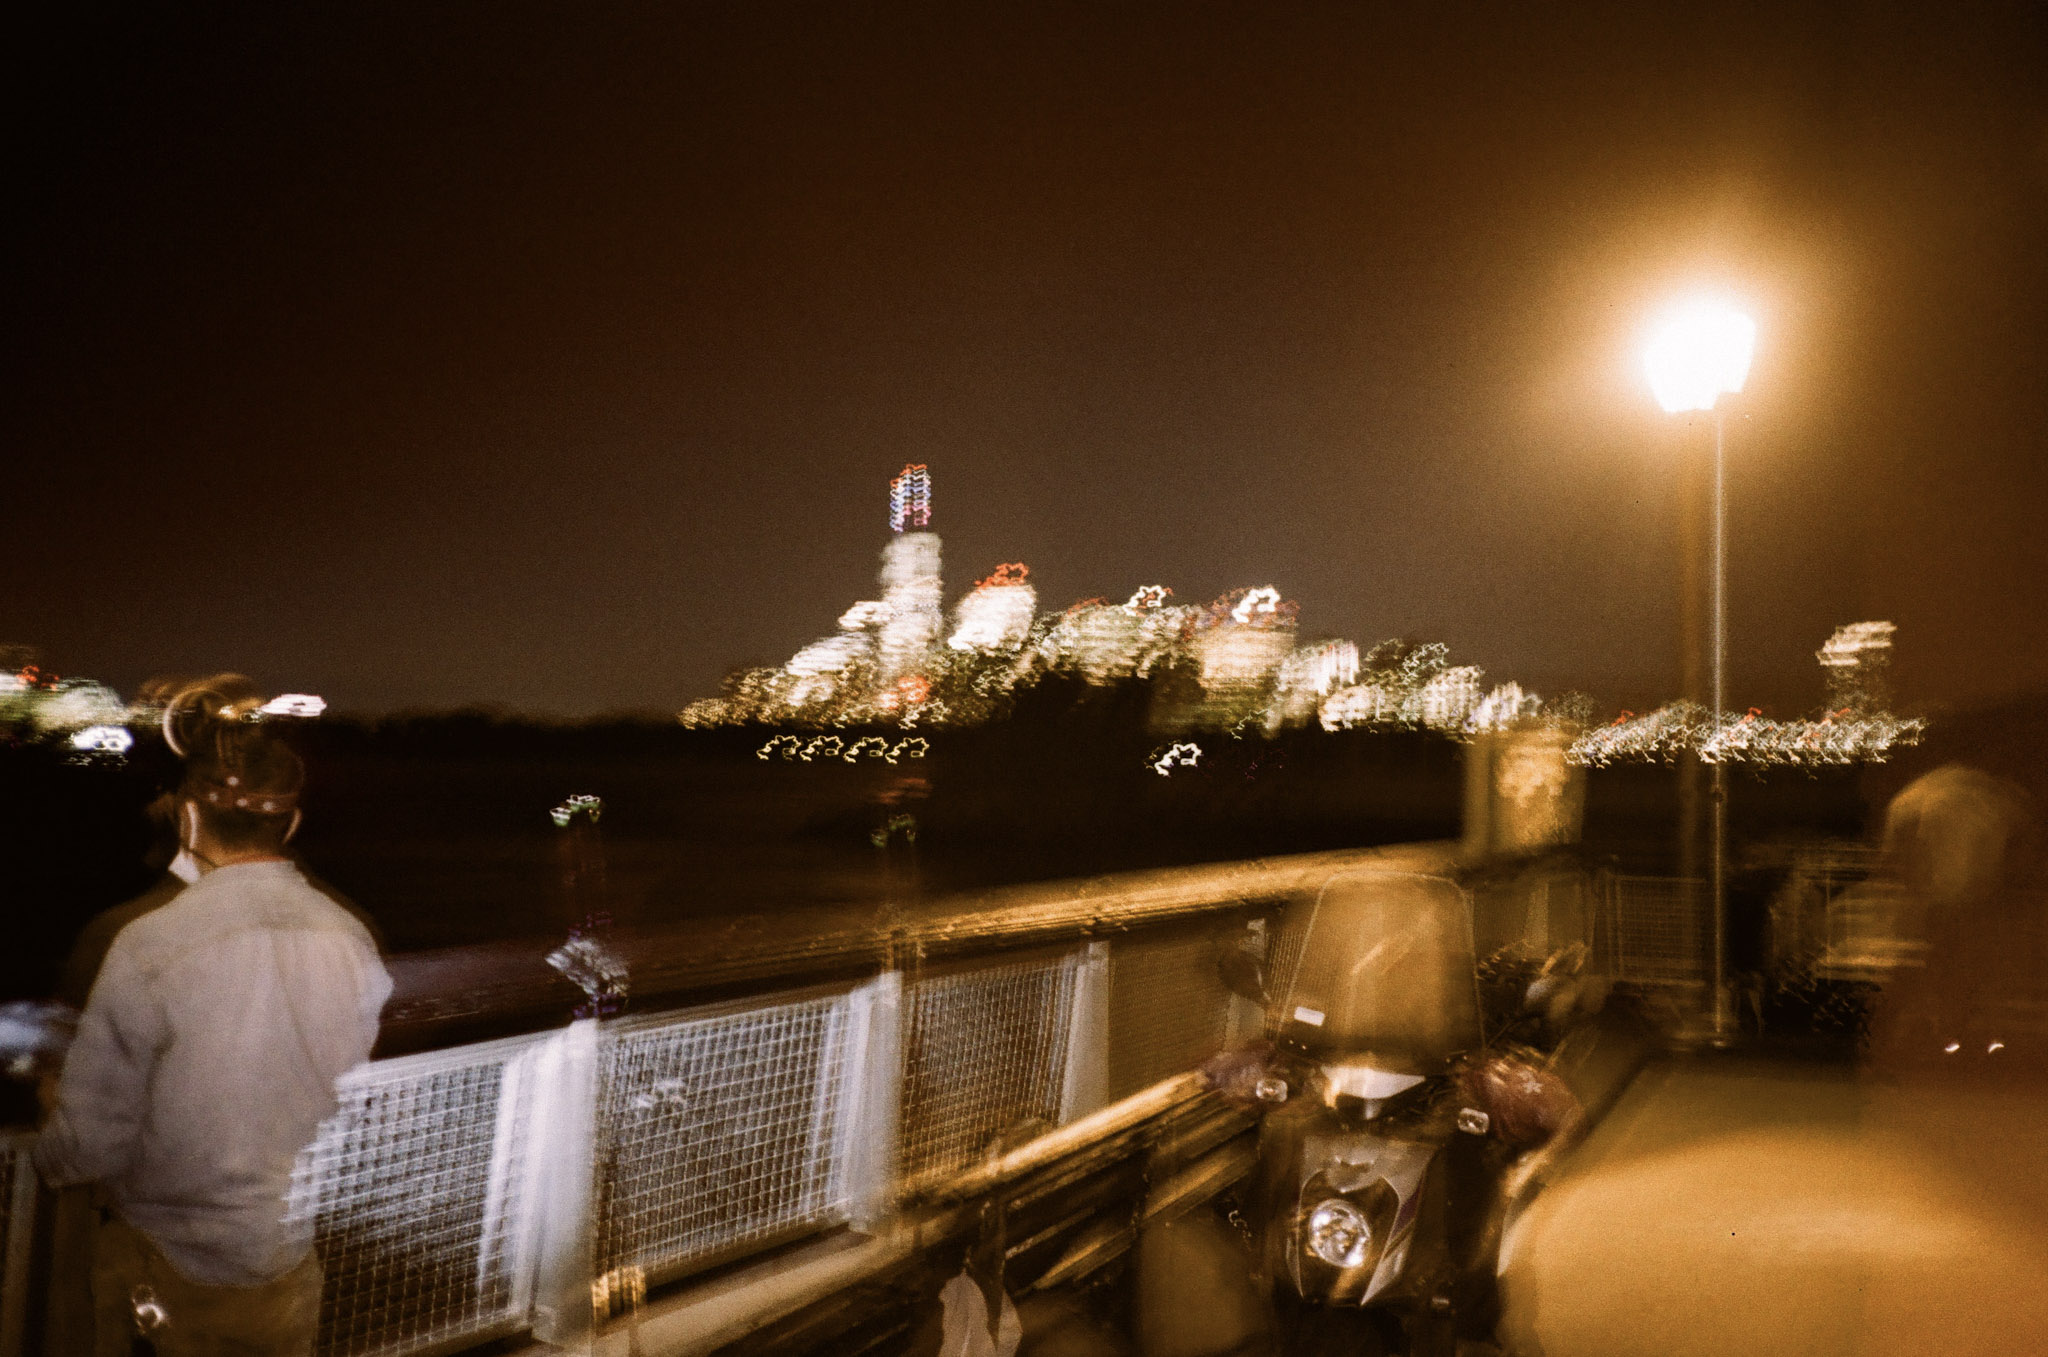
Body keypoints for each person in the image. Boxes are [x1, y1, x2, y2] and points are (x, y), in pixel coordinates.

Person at [35, 715, 391, 1355]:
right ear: (291, 823)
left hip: (161, 1269)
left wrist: (48, 1127)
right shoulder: (351, 938)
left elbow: (88, 1145)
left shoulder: (150, 943)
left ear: (189, 820)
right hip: (286, 1257)